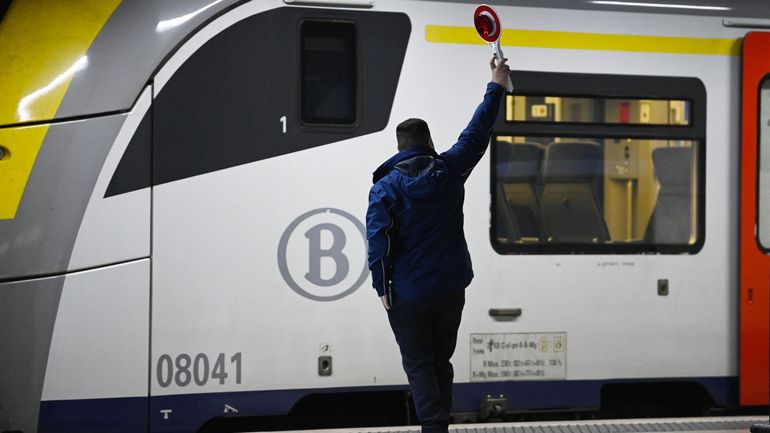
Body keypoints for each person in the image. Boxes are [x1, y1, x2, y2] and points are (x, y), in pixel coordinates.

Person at [366, 56, 510, 433]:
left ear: (399, 148)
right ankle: (439, 424)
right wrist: (496, 82)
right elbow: (476, 134)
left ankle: (434, 427)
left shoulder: (385, 189)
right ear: (429, 142)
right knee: (441, 361)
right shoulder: (449, 171)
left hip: (408, 295)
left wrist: (382, 286)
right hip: (449, 289)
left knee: (417, 364)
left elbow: (378, 240)